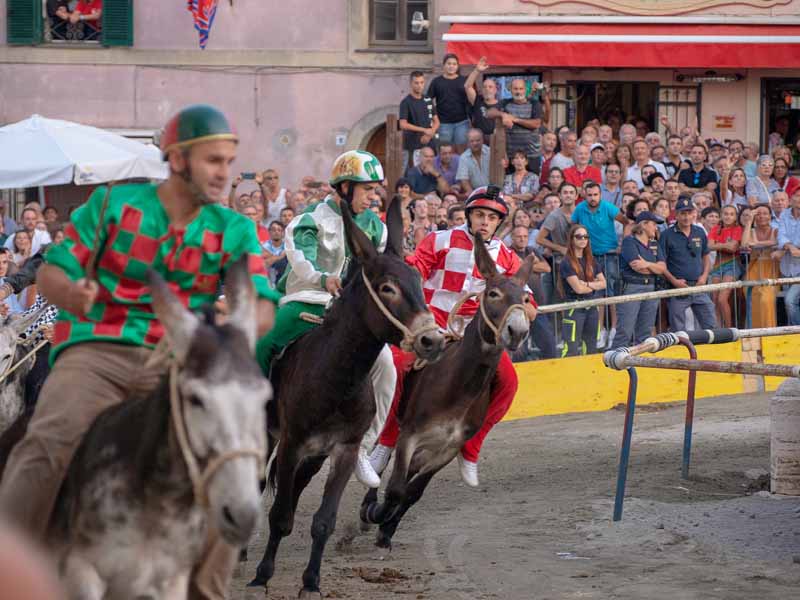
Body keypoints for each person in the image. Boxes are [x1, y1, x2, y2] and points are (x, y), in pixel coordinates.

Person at [0, 104, 279, 600]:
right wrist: (71, 295)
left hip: (179, 359)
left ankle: (208, 590)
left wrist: (240, 326)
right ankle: (12, 571)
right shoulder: (113, 207)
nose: (224, 174)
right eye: (212, 161)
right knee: (49, 439)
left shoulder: (234, 229)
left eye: (228, 162)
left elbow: (258, 301)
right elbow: (52, 271)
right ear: (175, 159)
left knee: (232, 459)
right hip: (97, 351)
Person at [369, 185, 537, 488]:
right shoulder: (439, 240)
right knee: (396, 368)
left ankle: (470, 449)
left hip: (475, 338)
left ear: (499, 222)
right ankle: (385, 444)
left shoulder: (508, 258)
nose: (485, 222)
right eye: (480, 215)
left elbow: (526, 300)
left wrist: (530, 308)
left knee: (509, 383)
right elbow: (414, 271)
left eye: (491, 217)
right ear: (469, 215)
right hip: (432, 327)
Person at [253, 150, 394, 489]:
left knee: (387, 364)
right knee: (265, 342)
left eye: (375, 190)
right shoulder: (309, 219)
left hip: (352, 314)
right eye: (367, 189)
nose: (373, 197)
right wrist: (322, 279)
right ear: (344, 187)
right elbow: (299, 258)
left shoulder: (378, 227)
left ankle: (363, 445)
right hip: (308, 300)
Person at [571, 182, 629, 347]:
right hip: (590, 257)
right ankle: (599, 330)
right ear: (584, 194)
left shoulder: (608, 207)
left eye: (595, 194)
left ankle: (614, 330)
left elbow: (626, 222)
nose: (593, 198)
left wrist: (622, 243)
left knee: (612, 293)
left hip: (610, 255)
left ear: (600, 195)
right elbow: (573, 229)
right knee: (595, 293)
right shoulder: (579, 209)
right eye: (589, 195)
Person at [659, 197, 717, 332]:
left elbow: (706, 256)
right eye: (683, 213)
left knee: (710, 323)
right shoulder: (666, 234)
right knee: (678, 329)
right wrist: (674, 281)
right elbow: (661, 263)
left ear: (694, 214)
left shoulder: (700, 231)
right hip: (677, 289)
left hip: (698, 286)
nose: (686, 217)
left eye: (689, 213)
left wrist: (704, 276)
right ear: (676, 215)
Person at [614, 212, 666, 348]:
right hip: (632, 286)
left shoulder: (654, 243)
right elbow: (637, 267)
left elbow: (662, 268)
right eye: (654, 224)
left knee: (646, 331)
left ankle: (642, 363)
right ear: (643, 225)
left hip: (651, 287)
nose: (656, 228)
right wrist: (653, 266)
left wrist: (648, 264)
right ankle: (614, 362)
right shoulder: (629, 241)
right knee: (625, 329)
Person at [509, 226, 556, 360]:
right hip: (518, 309)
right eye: (519, 236)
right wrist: (531, 264)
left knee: (549, 345)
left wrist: (524, 265)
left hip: (538, 307)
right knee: (519, 351)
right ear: (512, 238)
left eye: (525, 236)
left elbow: (546, 268)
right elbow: (511, 270)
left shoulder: (532, 250)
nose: (522, 239)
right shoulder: (508, 252)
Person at [559, 224, 606, 356]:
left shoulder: (591, 260)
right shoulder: (566, 262)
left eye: (586, 236)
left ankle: (589, 375)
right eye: (579, 236)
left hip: (591, 306)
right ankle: (568, 375)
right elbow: (578, 289)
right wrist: (593, 284)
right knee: (571, 347)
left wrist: (586, 284)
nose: (583, 239)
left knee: (591, 346)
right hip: (574, 307)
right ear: (572, 239)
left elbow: (604, 283)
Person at [487, 79, 543, 169]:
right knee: (511, 182)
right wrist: (503, 114)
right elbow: (489, 113)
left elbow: (536, 124)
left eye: (521, 89)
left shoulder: (534, 103)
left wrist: (515, 119)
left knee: (532, 182)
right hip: (512, 156)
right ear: (510, 89)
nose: (518, 92)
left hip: (531, 155)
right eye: (515, 89)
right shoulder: (505, 103)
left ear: (525, 90)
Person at [537, 183, 578, 305]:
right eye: (565, 193)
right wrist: (560, 248)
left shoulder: (582, 212)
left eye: (571, 192)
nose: (568, 195)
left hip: (583, 260)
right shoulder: (554, 216)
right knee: (563, 298)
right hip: (562, 262)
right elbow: (539, 239)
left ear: (576, 196)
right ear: (560, 196)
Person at [741, 204, 779, 328]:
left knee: (765, 298)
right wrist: (748, 222)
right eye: (758, 214)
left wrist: (756, 243)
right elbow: (744, 245)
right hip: (754, 271)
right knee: (753, 295)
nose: (762, 216)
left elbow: (777, 242)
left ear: (770, 216)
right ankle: (754, 333)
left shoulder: (776, 230)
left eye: (765, 213)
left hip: (771, 271)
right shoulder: (751, 231)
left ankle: (769, 332)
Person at [707, 204, 743, 327]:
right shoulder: (716, 228)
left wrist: (718, 244)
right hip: (717, 267)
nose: (728, 216)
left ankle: (729, 329)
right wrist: (725, 245)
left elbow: (733, 248)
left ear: (735, 217)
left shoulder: (737, 229)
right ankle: (718, 330)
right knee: (715, 300)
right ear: (721, 216)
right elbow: (709, 246)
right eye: (726, 214)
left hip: (732, 265)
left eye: (731, 214)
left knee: (722, 299)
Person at [427, 54, 470, 152]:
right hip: (443, 123)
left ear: (457, 66)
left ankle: (461, 168)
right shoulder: (437, 82)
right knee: (445, 152)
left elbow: (470, 100)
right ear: (444, 65)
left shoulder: (464, 81)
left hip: (462, 122)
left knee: (462, 151)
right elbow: (428, 100)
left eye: (454, 64)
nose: (451, 66)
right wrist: (434, 117)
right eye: (449, 63)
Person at [399, 71, 438, 170]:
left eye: (421, 82)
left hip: (430, 144)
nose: (419, 85)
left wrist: (429, 134)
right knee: (415, 173)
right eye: (416, 83)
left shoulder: (428, 100)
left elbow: (436, 121)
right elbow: (403, 124)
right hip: (413, 145)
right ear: (411, 84)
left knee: (432, 172)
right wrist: (424, 130)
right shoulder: (406, 102)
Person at [777, 178, 800, 325]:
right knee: (791, 303)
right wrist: (790, 247)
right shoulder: (785, 214)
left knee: (790, 301)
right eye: (797, 195)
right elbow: (781, 235)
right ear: (791, 198)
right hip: (788, 268)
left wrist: (788, 246)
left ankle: (796, 333)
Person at [464, 57, 499, 138]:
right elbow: (467, 86)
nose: (487, 89)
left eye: (490, 87)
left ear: (495, 90)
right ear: (482, 90)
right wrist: (477, 70)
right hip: (479, 141)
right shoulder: (477, 101)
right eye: (485, 87)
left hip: (496, 140)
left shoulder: (502, 104)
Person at [456, 128, 491, 195]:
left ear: (482, 140)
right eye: (472, 141)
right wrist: (473, 195)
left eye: (478, 140)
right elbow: (464, 180)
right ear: (468, 143)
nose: (475, 143)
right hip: (475, 192)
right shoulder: (463, 158)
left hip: (493, 190)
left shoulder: (491, 152)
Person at [263, 220, 287, 284]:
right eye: (273, 230)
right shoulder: (264, 246)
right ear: (269, 232)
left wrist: (272, 257)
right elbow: (264, 264)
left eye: (279, 230)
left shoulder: (287, 246)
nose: (276, 232)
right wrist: (280, 256)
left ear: (283, 233)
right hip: (267, 279)